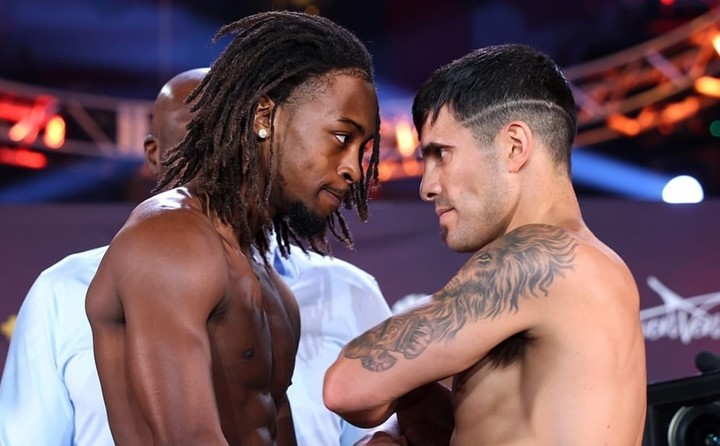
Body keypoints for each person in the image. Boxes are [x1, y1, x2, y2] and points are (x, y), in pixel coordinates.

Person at [0, 60, 391, 445]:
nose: (216, 150)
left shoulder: (274, 287)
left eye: (226, 132)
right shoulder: (162, 240)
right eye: (199, 137)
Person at [324, 43, 647, 446]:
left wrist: (403, 398)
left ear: (514, 146)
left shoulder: (538, 252)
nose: (428, 185)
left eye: (441, 154)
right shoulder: (591, 261)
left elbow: (347, 388)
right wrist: (421, 415)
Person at [84, 11, 381, 445]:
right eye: (341, 137)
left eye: (362, 149)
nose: (355, 169)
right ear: (264, 117)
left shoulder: (272, 290)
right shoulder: (170, 238)